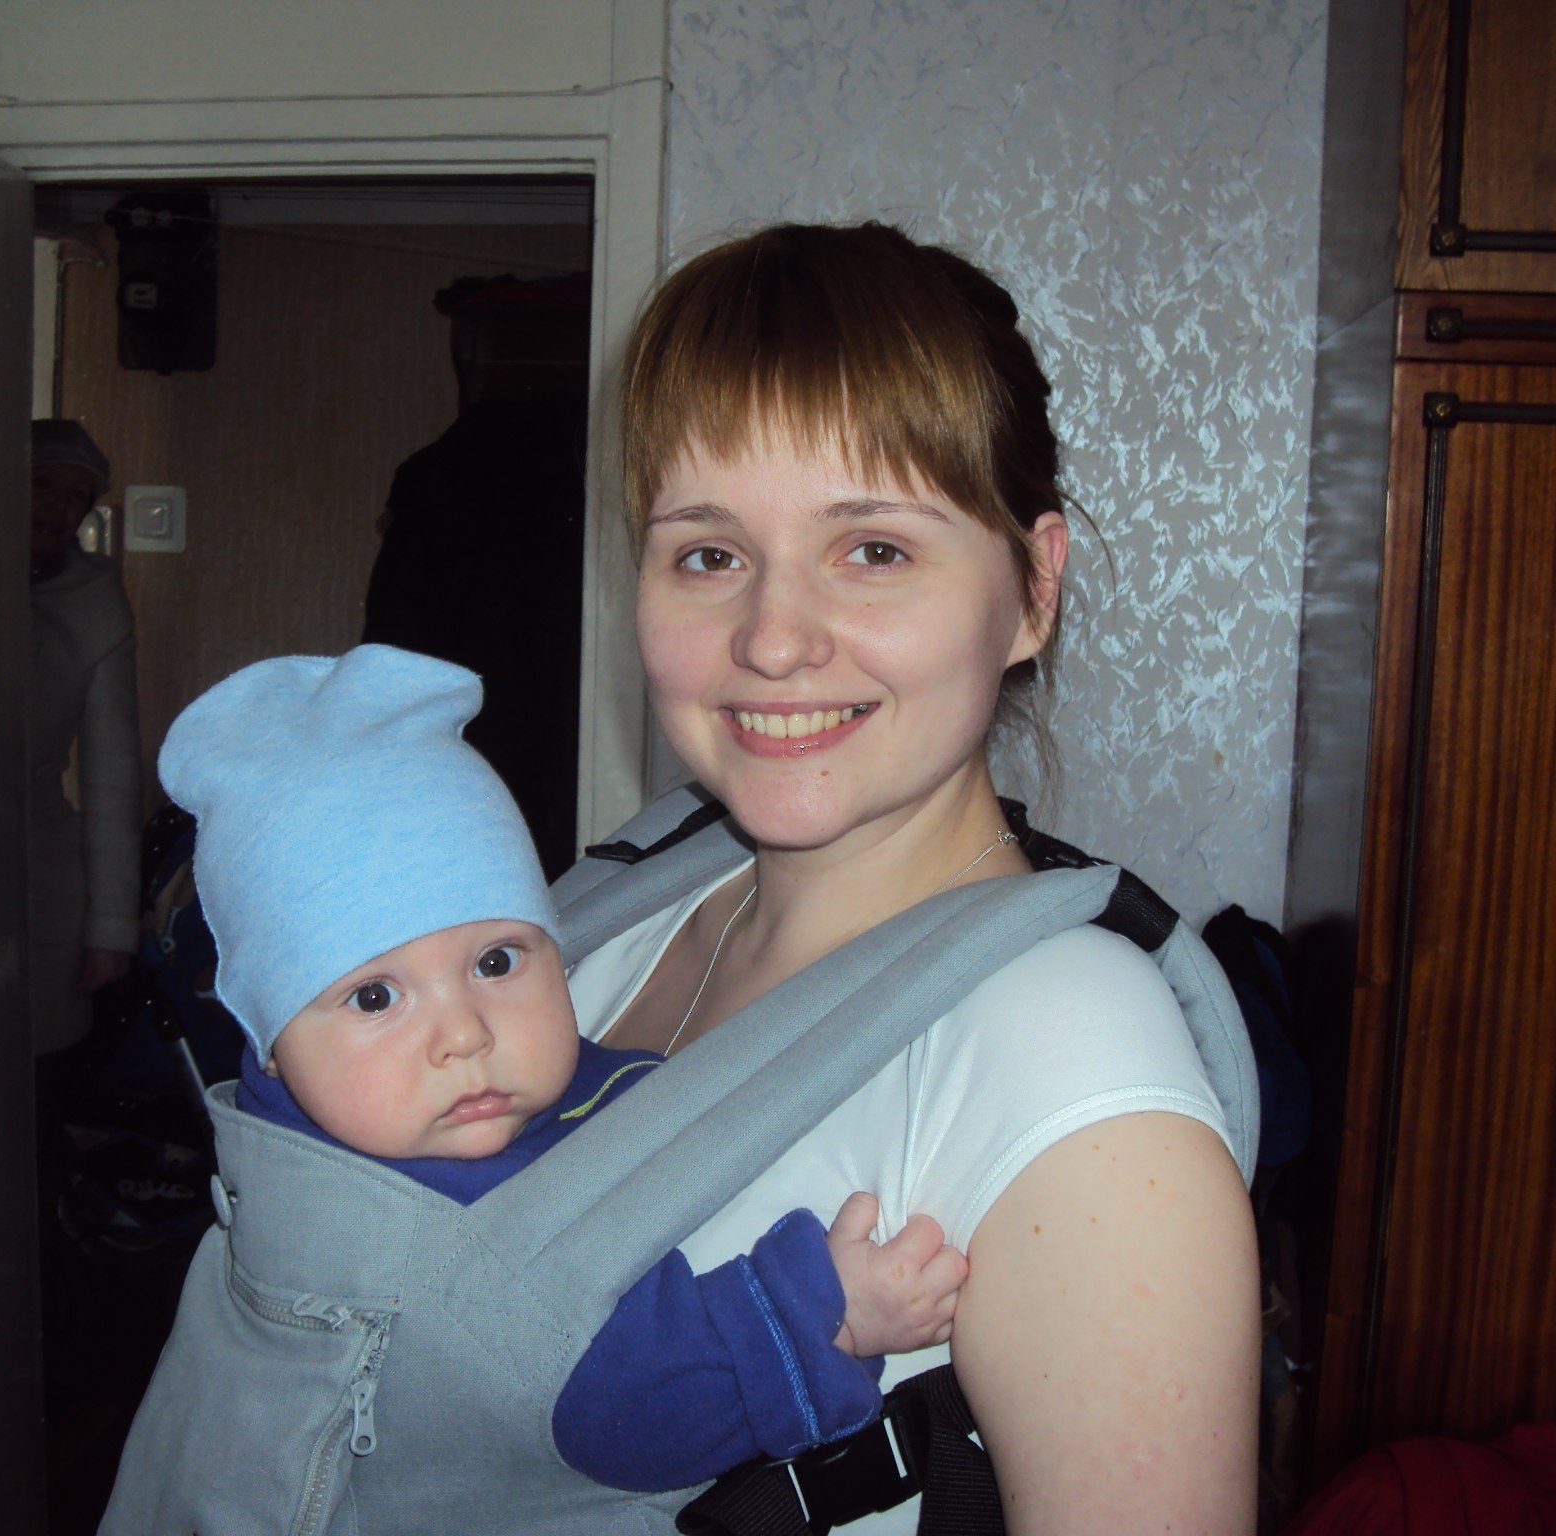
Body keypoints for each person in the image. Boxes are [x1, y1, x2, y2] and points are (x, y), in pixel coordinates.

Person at [565, 221, 1261, 1531]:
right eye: (708, 553)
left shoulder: (1070, 1055)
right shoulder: (611, 915)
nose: (772, 640)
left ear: (1032, 590)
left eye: (873, 550)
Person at [139, 644, 969, 1495]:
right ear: (272, 1043)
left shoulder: (384, 1107)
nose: (464, 1035)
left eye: (496, 962)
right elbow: (628, 1415)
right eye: (375, 998)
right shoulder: (423, 1235)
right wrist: (822, 1316)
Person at [27, 418, 140, 1059]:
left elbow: (112, 778)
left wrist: (111, 929)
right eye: (41, 483)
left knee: (36, 1074)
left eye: (76, 495)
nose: (57, 506)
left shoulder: (94, 603)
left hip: (41, 873)